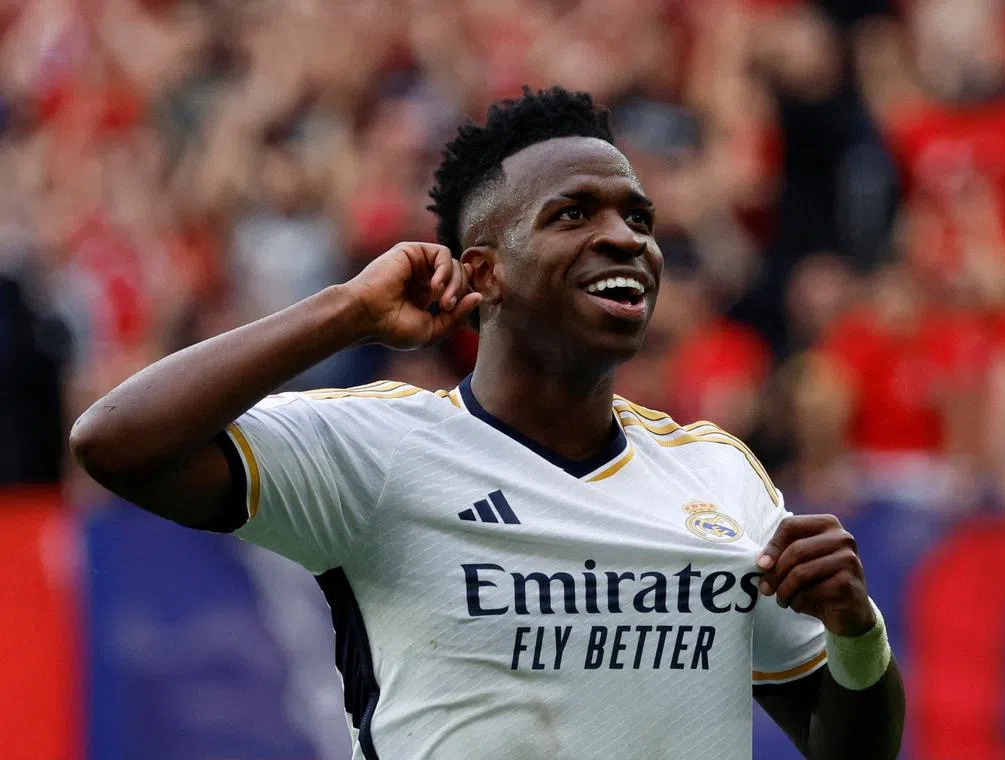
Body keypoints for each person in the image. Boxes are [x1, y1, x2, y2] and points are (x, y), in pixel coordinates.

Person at [71, 86, 904, 760]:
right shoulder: (380, 452)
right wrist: (345, 311)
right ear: (484, 274)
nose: (626, 239)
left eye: (639, 218)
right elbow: (115, 442)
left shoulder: (717, 474)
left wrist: (855, 629)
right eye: (573, 214)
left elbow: (849, 749)